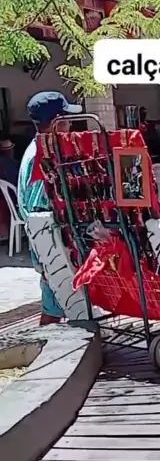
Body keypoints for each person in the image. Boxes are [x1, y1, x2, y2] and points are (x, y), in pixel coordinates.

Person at [18, 91, 82, 326]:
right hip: (51, 245)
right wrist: (53, 255)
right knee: (57, 303)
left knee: (56, 303)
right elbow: (39, 213)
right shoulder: (40, 158)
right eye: (66, 119)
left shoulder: (40, 150)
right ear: (56, 122)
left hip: (50, 244)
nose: (69, 125)